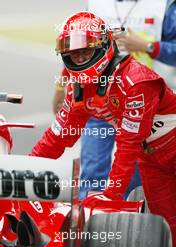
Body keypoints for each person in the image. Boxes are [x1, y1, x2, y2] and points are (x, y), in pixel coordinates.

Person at [30, 12, 176, 247]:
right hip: (150, 160)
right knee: (169, 230)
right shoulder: (79, 90)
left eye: (85, 52)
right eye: (74, 55)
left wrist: (111, 195)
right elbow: (56, 139)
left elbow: (128, 144)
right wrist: (21, 175)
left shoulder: (136, 80)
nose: (80, 58)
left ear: (103, 48)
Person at [52, 0, 176, 199]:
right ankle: (92, 224)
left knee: (133, 180)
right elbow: (77, 49)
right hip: (98, 100)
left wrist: (149, 46)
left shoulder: (164, 6)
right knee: (92, 175)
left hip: (146, 109)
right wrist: (62, 83)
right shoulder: (96, 4)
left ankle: (125, 222)